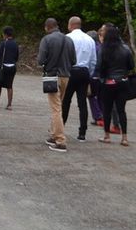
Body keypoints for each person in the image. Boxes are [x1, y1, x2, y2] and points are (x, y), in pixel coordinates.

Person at [38, 18, 76, 152]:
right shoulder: (69, 40)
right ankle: (54, 135)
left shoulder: (46, 40)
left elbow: (41, 60)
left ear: (47, 27)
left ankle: (60, 140)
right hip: (66, 76)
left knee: (56, 108)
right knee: (59, 106)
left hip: (53, 76)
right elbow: (74, 60)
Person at [96, 25, 134, 146]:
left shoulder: (104, 49)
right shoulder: (126, 48)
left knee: (107, 110)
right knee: (121, 110)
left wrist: (102, 77)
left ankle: (107, 136)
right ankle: (124, 138)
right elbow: (131, 65)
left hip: (109, 82)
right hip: (123, 81)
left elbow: (99, 66)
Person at [63, 17, 96, 142]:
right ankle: (82, 132)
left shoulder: (68, 38)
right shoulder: (90, 40)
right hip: (84, 71)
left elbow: (64, 57)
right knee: (82, 103)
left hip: (71, 71)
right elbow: (93, 60)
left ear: (71, 25)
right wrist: (90, 74)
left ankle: (61, 128)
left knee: (66, 101)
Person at [0, 27, 19, 109]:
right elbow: (17, 56)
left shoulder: (3, 43)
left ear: (5, 34)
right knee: (9, 86)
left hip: (3, 67)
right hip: (12, 67)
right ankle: (9, 104)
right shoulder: (15, 43)